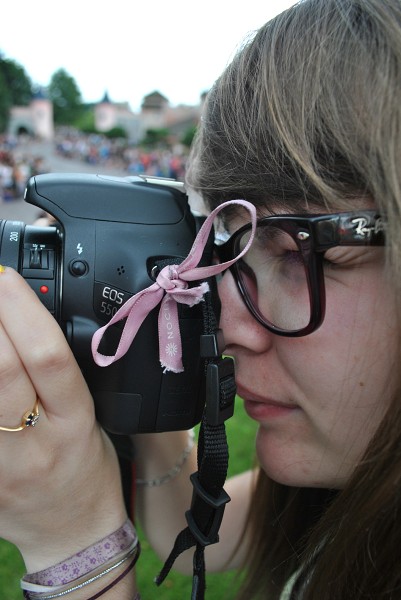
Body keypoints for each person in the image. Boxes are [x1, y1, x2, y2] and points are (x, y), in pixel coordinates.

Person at [1, 0, 401, 598]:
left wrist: (75, 551)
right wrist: (147, 363)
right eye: (228, 255)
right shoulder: (344, 486)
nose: (230, 323)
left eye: (296, 252)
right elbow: (186, 532)